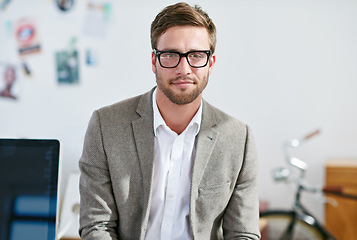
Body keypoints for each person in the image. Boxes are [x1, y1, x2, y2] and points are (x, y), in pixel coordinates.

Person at [79, 2, 260, 240]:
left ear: (211, 63)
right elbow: (96, 226)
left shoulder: (238, 138)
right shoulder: (105, 126)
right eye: (170, 55)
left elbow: (243, 234)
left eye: (196, 55)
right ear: (154, 61)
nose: (183, 68)